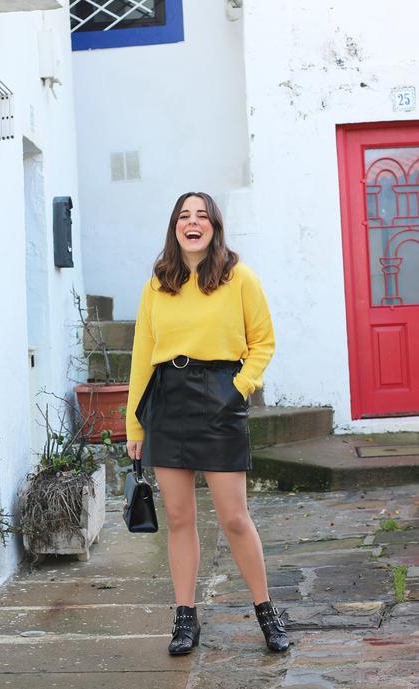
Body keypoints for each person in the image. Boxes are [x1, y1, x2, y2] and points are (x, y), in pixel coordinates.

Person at [125, 191, 289, 656]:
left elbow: (263, 342)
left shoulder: (239, 278)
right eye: (184, 216)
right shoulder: (158, 282)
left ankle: (267, 612)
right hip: (166, 398)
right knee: (179, 517)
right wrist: (134, 424)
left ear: (214, 227)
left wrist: (238, 389)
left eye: (202, 216)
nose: (192, 222)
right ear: (174, 227)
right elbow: (141, 354)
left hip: (220, 394)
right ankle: (184, 618)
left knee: (235, 517)